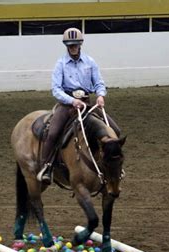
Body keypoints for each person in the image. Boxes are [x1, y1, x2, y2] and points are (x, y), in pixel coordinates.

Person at [36, 27, 107, 184]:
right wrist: (71, 101)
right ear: (66, 46)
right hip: (67, 105)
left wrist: (101, 95)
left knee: (113, 129)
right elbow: (56, 89)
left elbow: (99, 83)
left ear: (80, 44)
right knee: (53, 132)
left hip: (88, 104)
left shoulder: (90, 62)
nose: (73, 47)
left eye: (75, 45)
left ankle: (113, 166)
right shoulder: (60, 63)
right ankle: (46, 166)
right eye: (70, 45)